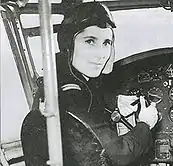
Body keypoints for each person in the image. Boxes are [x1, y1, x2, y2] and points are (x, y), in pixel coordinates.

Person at [21, 2, 159, 166]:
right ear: (68, 45)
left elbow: (87, 127)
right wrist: (145, 123)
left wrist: (114, 107)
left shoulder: (61, 82)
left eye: (106, 43)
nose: (101, 54)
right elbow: (120, 154)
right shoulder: (69, 95)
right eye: (90, 41)